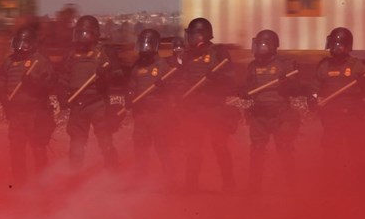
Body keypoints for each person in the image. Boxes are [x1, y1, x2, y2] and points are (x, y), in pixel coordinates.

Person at [57, 15, 126, 171]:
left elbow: (118, 78)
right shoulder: (71, 55)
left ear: (94, 34)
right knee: (76, 143)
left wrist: (105, 75)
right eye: (79, 33)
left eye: (86, 34)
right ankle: (75, 173)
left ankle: (113, 171)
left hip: (98, 103)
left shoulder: (104, 53)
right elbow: (63, 79)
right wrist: (62, 97)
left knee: (105, 139)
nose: (82, 38)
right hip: (78, 104)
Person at [179, 17, 237, 192]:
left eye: (193, 35)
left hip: (215, 108)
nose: (189, 39)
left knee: (219, 146)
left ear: (201, 36)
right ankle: (191, 185)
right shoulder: (187, 55)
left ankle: (229, 183)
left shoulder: (219, 53)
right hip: (194, 109)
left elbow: (231, 78)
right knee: (193, 148)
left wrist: (218, 78)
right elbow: (183, 79)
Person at [308, 26, 365, 181]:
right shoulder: (324, 65)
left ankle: (362, 182)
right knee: (331, 150)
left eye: (339, 45)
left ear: (347, 46)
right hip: (332, 115)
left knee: (356, 150)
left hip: (353, 115)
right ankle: (332, 182)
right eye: (334, 45)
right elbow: (314, 86)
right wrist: (312, 98)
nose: (336, 49)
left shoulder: (357, 65)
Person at [241, 29, 300, 193]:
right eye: (258, 45)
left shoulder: (285, 64)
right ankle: (254, 188)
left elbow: (297, 89)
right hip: (259, 115)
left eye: (262, 45)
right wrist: (244, 92)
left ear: (271, 46)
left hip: (280, 114)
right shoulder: (253, 66)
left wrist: (287, 84)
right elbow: (247, 86)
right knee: (257, 151)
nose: (259, 48)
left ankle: (293, 188)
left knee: (285, 150)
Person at [0, 26, 56, 183]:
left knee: (38, 146)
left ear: (32, 44)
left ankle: (42, 181)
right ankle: (19, 182)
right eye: (19, 43)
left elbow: (50, 85)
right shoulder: (9, 61)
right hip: (16, 113)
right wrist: (4, 100)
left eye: (25, 44)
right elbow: (1, 82)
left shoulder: (40, 61)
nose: (21, 47)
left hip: (36, 113)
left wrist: (34, 83)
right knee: (16, 148)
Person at [127, 28, 177, 185]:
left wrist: (164, 86)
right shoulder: (136, 67)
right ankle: (140, 177)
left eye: (148, 44)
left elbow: (174, 88)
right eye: (143, 44)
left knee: (162, 146)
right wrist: (129, 97)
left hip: (158, 114)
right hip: (141, 114)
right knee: (140, 146)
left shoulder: (163, 65)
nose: (145, 48)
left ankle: (169, 178)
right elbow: (132, 86)